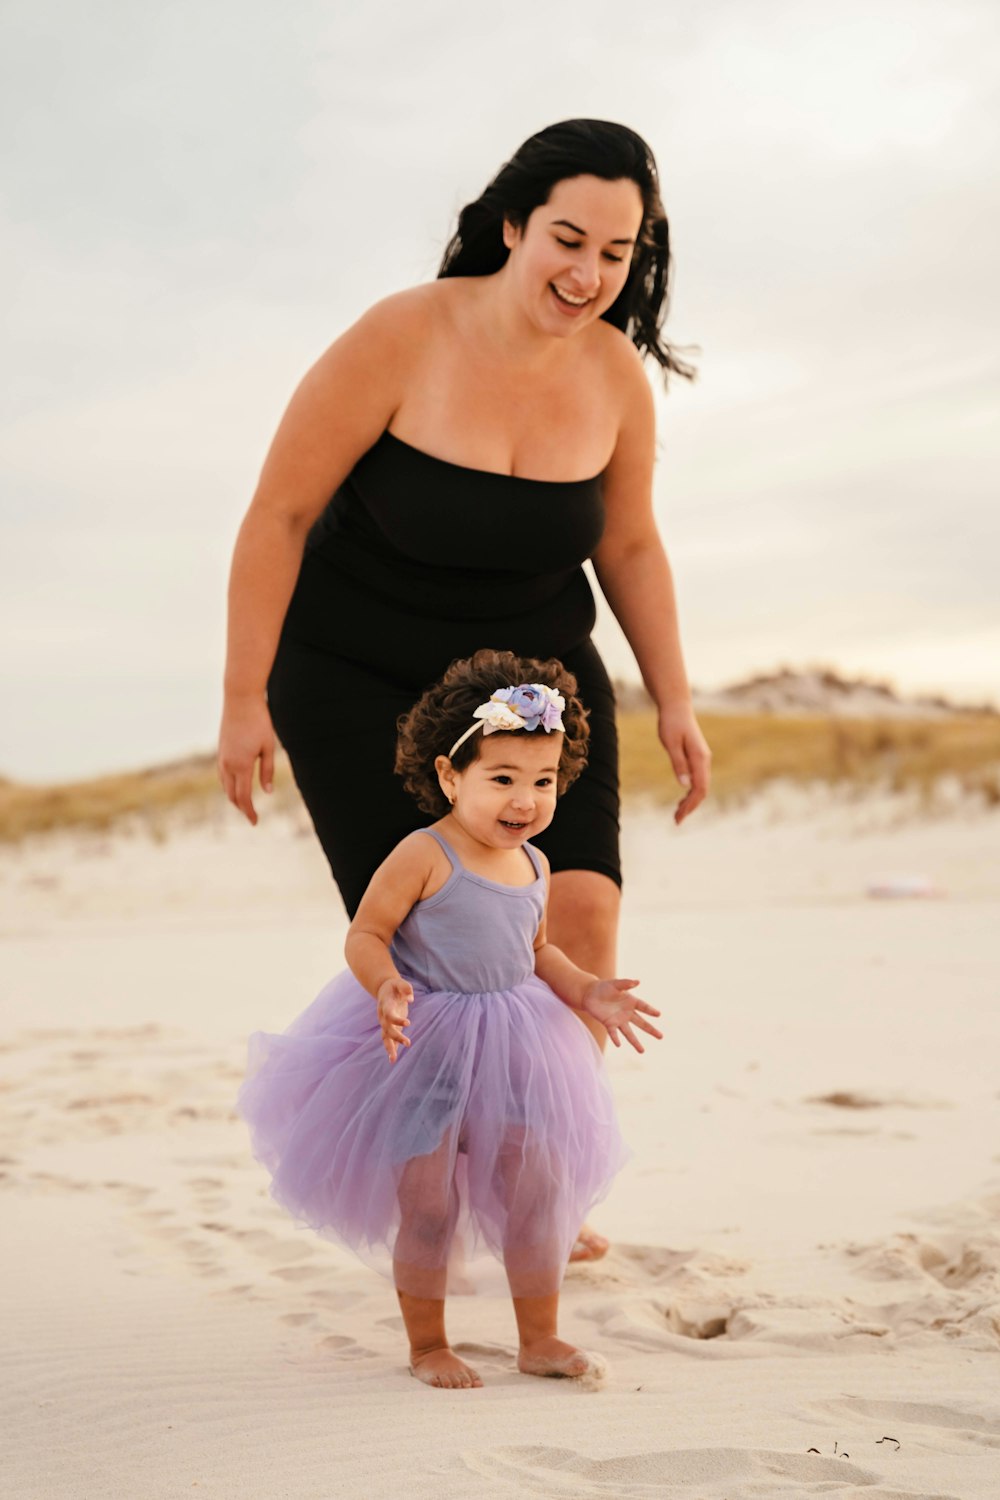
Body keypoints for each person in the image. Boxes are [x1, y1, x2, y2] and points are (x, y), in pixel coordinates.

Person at [218, 118, 712, 1262]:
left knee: (578, 917)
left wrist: (673, 697)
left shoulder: (615, 380)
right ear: (512, 225)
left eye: (618, 253)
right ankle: (438, 1169)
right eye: (567, 239)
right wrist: (245, 696)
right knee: (437, 938)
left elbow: (630, 548)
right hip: (355, 671)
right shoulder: (400, 336)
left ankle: (536, 1173)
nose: (587, 275)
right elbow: (278, 514)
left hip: (530, 690)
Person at [237, 651, 663, 1388]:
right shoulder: (423, 854)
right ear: (448, 776)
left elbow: (535, 951)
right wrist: (385, 985)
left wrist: (587, 991)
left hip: (519, 1042)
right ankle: (428, 1344)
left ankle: (540, 1339)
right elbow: (365, 935)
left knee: (537, 1189)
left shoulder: (533, 864)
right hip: (425, 1044)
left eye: (542, 781)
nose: (524, 800)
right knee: (427, 1203)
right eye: (502, 779)